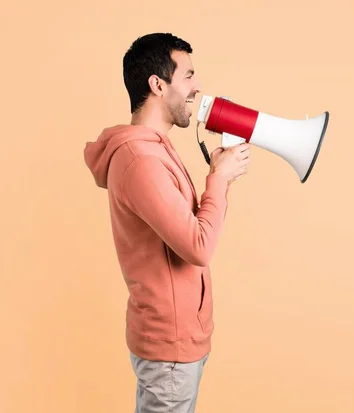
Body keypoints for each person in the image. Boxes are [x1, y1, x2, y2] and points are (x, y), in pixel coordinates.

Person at [83, 32, 250, 413]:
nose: (198, 87)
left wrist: (219, 178)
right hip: (169, 349)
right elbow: (198, 247)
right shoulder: (140, 160)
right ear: (158, 84)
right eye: (188, 75)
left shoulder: (155, 149)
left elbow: (190, 230)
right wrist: (219, 180)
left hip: (178, 345)